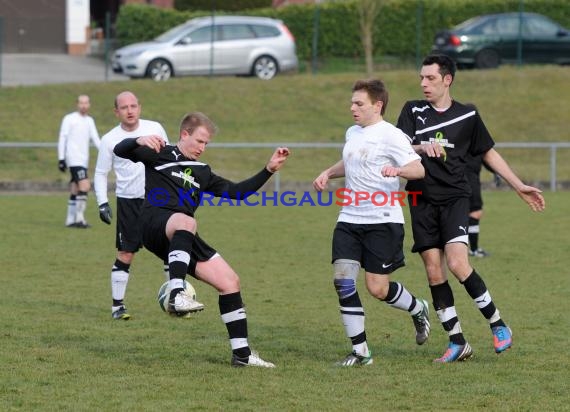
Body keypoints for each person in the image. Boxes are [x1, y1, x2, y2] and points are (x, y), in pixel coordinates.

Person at [396, 54, 545, 362]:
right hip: (421, 200)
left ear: (447, 80)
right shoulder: (412, 110)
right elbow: (397, 148)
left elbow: (489, 154)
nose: (424, 83)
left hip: (454, 198)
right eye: (421, 78)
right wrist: (421, 147)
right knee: (434, 271)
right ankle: (457, 342)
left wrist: (519, 186)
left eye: (430, 78)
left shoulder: (467, 116)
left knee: (457, 264)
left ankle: (498, 324)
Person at [113, 111, 290, 368]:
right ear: (185, 134)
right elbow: (120, 150)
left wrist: (268, 170)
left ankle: (242, 354)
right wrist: (139, 140)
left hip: (182, 233)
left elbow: (237, 193)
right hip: (154, 223)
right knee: (187, 221)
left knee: (230, 281)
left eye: (206, 144)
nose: (202, 148)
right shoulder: (160, 152)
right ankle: (176, 293)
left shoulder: (202, 172)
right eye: (199, 141)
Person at [313, 79, 431, 367]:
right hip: (349, 219)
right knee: (343, 281)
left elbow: (418, 169)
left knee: (377, 288)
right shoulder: (352, 132)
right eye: (352, 102)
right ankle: (361, 352)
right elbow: (351, 161)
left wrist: (399, 169)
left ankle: (417, 308)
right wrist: (328, 173)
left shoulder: (392, 135)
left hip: (382, 221)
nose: (352, 107)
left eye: (359, 103)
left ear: (377, 106)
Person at [94, 91, 189, 321]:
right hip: (129, 202)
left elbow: (171, 158)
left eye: (133, 105)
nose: (130, 110)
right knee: (126, 253)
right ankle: (118, 307)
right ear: (116, 111)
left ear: (139, 107)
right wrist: (102, 202)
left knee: (170, 251)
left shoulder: (154, 128)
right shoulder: (109, 139)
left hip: (158, 199)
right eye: (124, 107)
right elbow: (100, 173)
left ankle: (175, 302)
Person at [57, 94, 101, 228]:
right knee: (85, 186)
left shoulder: (89, 121)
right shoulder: (69, 118)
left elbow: (96, 139)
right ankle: (80, 219)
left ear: (89, 105)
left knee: (75, 189)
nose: (84, 105)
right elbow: (63, 137)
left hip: (83, 160)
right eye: (81, 103)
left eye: (86, 103)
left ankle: (70, 220)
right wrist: (61, 158)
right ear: (77, 104)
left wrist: (106, 153)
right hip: (74, 159)